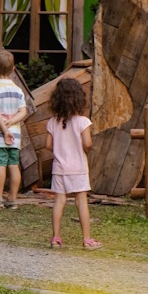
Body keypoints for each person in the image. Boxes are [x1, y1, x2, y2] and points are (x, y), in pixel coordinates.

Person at [45, 78, 101, 250]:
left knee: (59, 201)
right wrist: (85, 149)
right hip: (78, 168)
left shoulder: (52, 121)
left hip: (59, 169)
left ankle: (56, 238)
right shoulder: (82, 121)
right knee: (81, 201)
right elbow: (88, 143)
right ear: (79, 99)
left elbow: (47, 145)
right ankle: (87, 240)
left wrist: (59, 151)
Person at [0, 50, 28, 209]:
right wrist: (11, 123)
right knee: (13, 165)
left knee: (0, 165)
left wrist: (4, 129)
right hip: (15, 135)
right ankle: (13, 199)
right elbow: (23, 112)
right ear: (13, 69)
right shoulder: (17, 90)